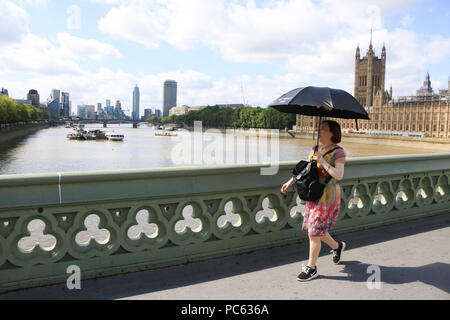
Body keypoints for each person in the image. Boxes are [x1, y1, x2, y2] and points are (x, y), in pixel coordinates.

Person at [281, 120, 346, 281]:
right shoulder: (314, 149)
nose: (319, 131)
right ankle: (337, 247)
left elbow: (339, 175)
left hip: (328, 196)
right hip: (313, 194)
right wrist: (290, 182)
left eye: (323, 129)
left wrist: (322, 161)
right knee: (317, 230)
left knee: (314, 232)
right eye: (320, 128)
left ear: (332, 133)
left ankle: (311, 268)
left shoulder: (339, 152)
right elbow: (306, 170)